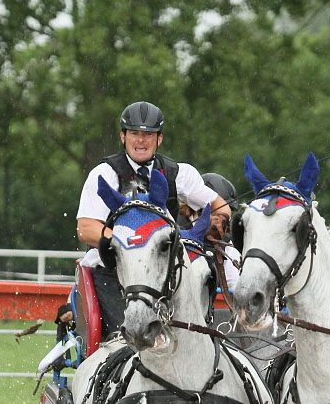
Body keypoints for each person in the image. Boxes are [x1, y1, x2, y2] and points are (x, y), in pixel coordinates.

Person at [74, 101, 231, 336]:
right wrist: (132, 244)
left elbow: (221, 206)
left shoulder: (178, 173)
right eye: (135, 133)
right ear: (122, 136)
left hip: (165, 275)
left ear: (159, 139)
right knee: (127, 341)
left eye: (148, 134)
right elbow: (86, 228)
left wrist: (215, 225)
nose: (141, 140)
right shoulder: (104, 173)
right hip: (114, 274)